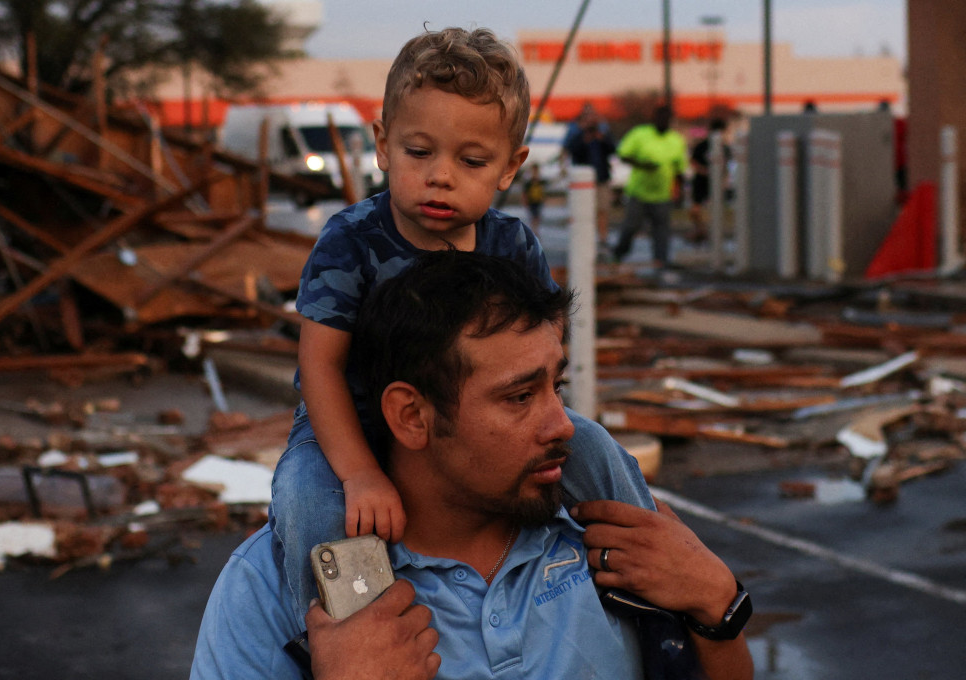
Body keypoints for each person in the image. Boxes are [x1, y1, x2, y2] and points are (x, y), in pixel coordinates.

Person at [191, 250, 755, 679]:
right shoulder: (272, 590)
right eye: (518, 397)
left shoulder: (612, 539)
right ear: (411, 416)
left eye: (556, 385)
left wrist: (718, 611)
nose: (563, 424)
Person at [265, 26, 653, 628]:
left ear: (509, 167)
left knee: (597, 448)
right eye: (419, 153)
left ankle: (652, 584)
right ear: (383, 146)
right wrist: (362, 472)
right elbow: (321, 367)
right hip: (354, 423)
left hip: (472, 423)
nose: (440, 175)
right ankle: (342, 637)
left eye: (471, 161)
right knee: (307, 502)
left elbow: (543, 353)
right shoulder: (349, 242)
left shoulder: (510, 244)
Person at [612, 104, 687, 267]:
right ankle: (619, 253)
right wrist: (642, 165)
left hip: (662, 194)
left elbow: (679, 169)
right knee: (631, 226)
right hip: (638, 192)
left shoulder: (676, 140)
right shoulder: (640, 134)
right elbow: (623, 154)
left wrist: (679, 191)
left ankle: (660, 259)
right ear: (654, 119)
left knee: (661, 229)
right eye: (661, 118)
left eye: (667, 119)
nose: (664, 122)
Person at [563, 103, 617, 245]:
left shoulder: (603, 133)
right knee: (583, 211)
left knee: (603, 209)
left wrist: (602, 139)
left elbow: (613, 149)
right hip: (583, 181)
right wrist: (583, 137)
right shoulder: (576, 132)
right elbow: (570, 149)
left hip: (601, 178)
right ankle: (584, 238)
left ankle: (603, 238)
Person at [688, 118, 732, 243]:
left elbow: (726, 165)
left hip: (715, 182)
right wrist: (704, 171)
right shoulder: (702, 146)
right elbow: (693, 161)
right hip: (701, 181)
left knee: (715, 208)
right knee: (695, 210)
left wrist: (723, 179)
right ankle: (700, 230)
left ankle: (712, 233)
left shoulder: (724, 147)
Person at [522, 162, 546, 234]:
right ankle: (534, 231)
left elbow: (543, 191)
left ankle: (536, 230)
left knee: (537, 217)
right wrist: (525, 201)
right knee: (533, 217)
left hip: (538, 201)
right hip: (531, 201)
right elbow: (524, 193)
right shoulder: (528, 183)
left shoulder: (540, 181)